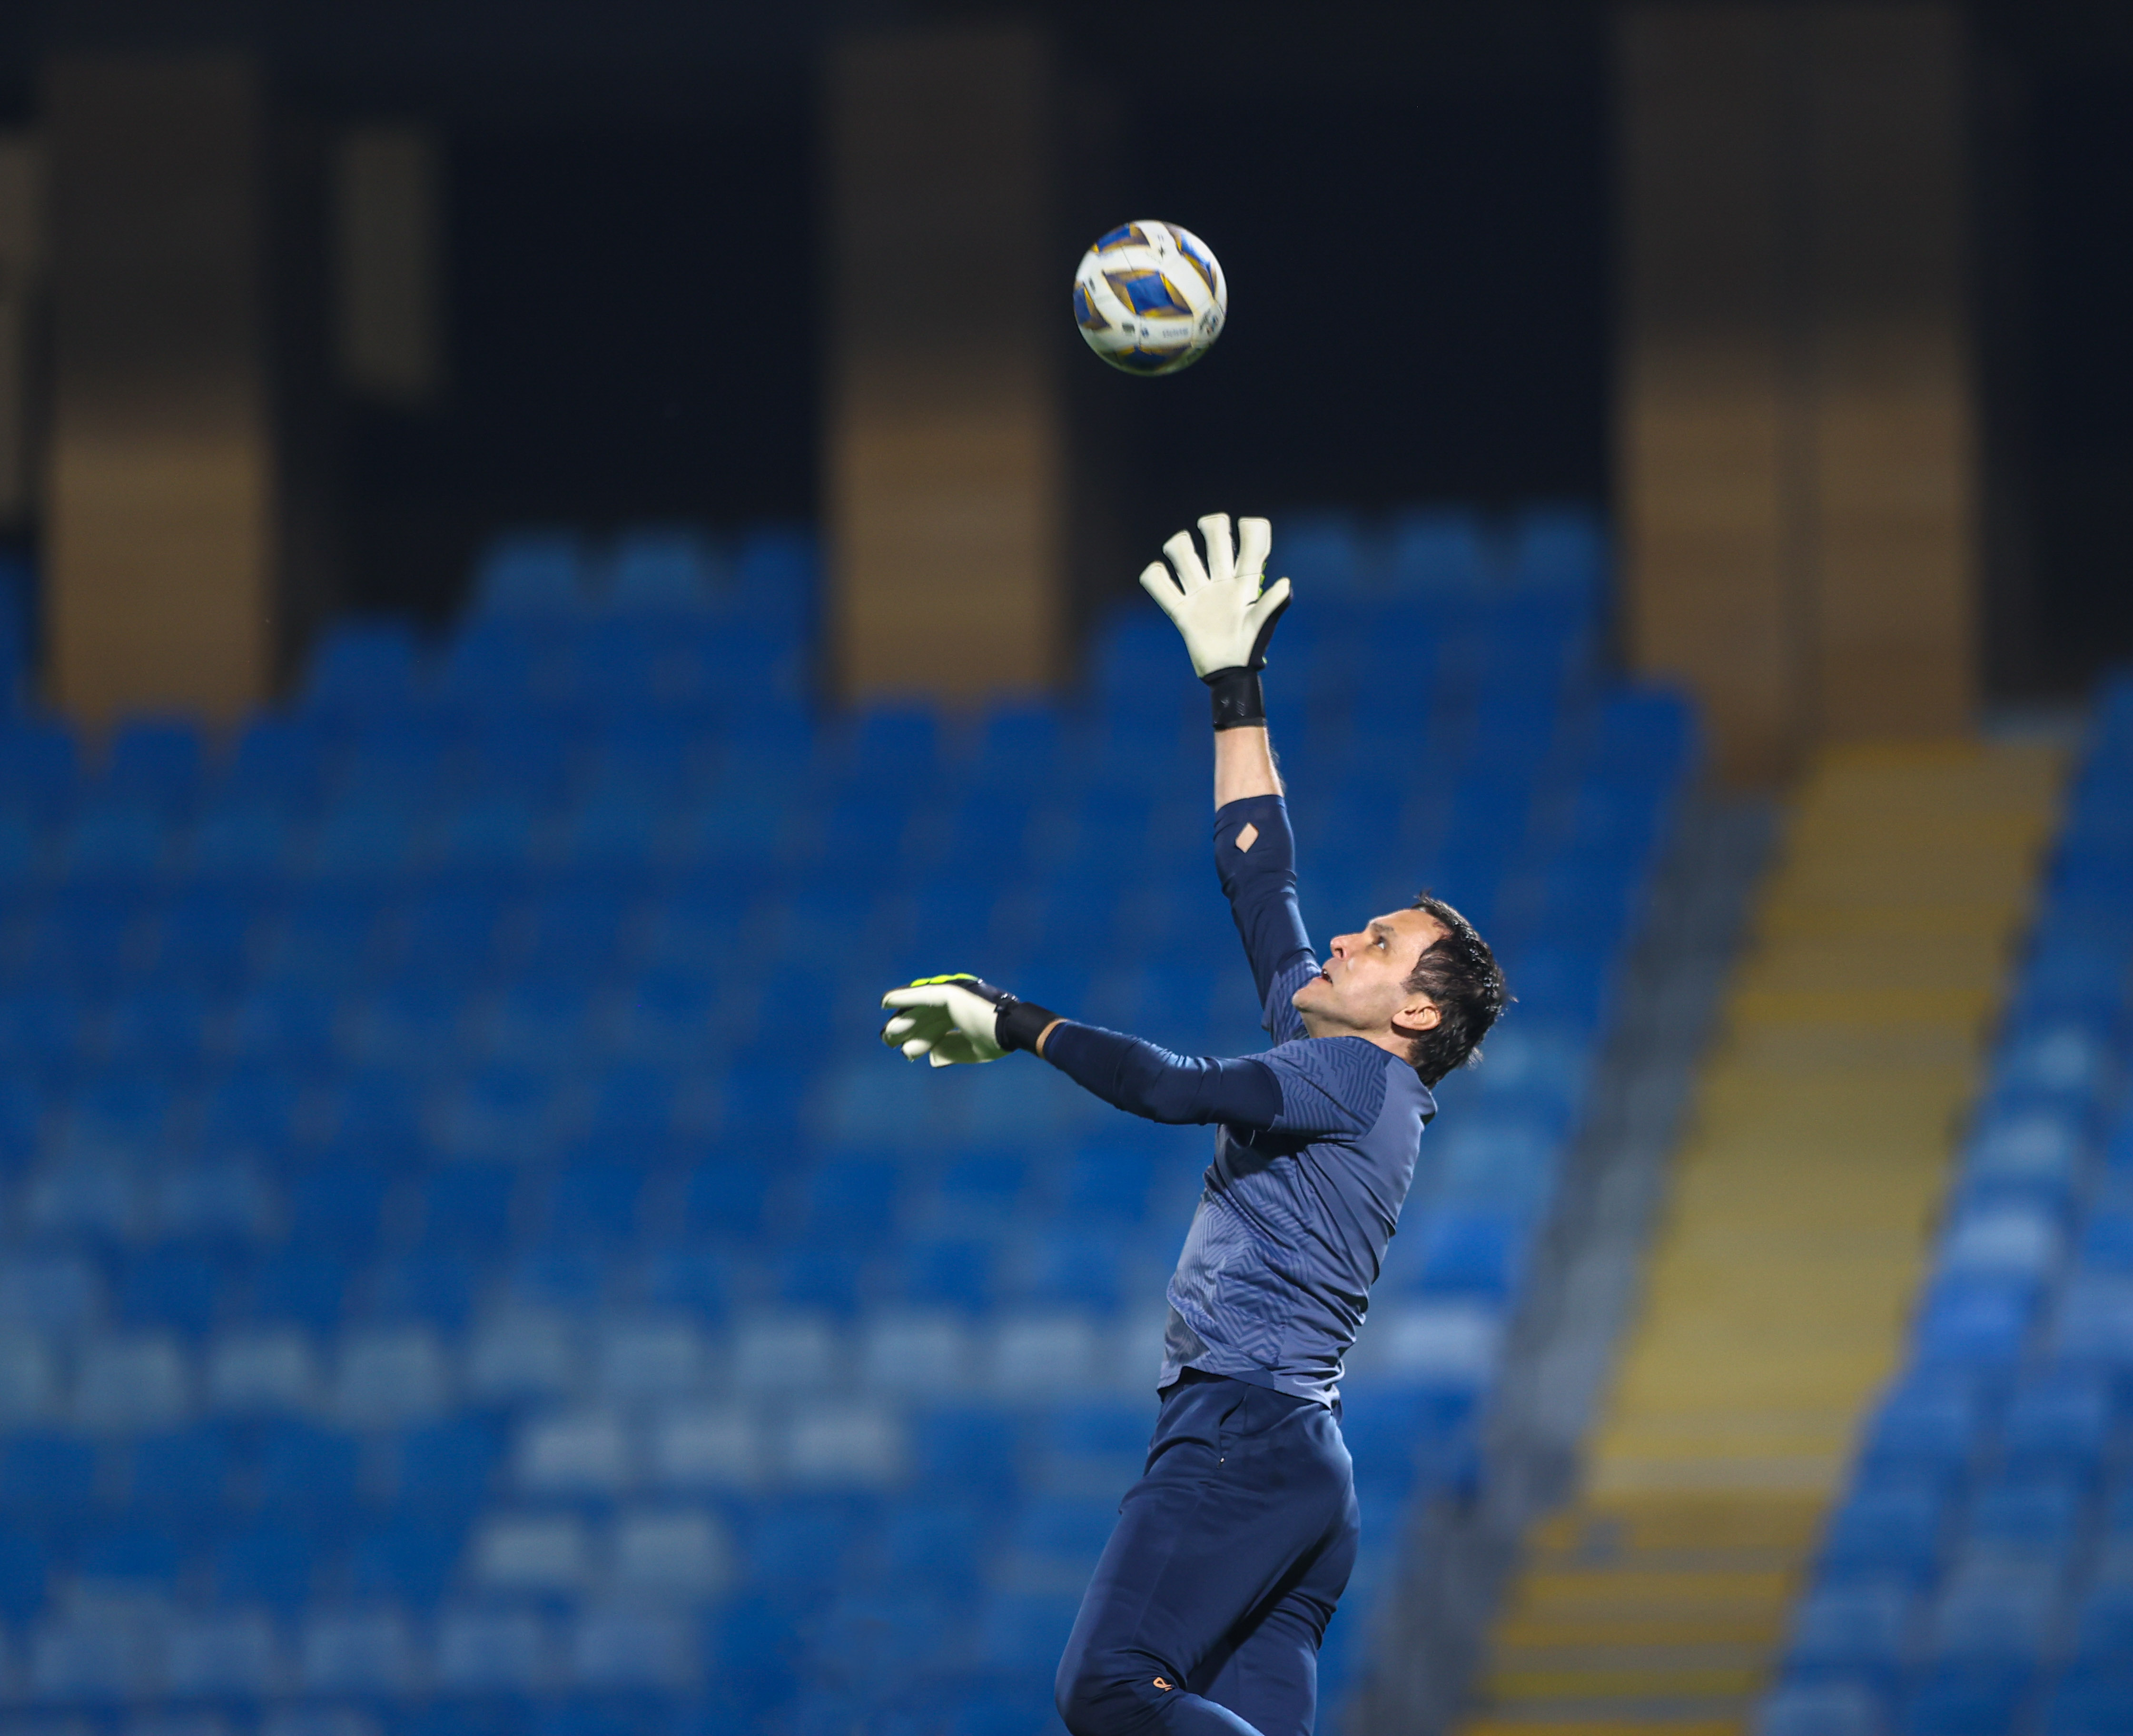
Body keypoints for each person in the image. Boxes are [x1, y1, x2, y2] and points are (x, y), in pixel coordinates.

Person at [879, 515, 1508, 1736]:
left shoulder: (1357, 1086)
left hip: (1243, 1435)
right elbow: (1260, 881)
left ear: (1416, 1011)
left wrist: (1014, 1018)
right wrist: (1235, 688)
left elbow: (1170, 1090)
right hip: (1298, 1468)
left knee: (1109, 1690)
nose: (1344, 940)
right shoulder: (1336, 1056)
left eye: (1378, 945)